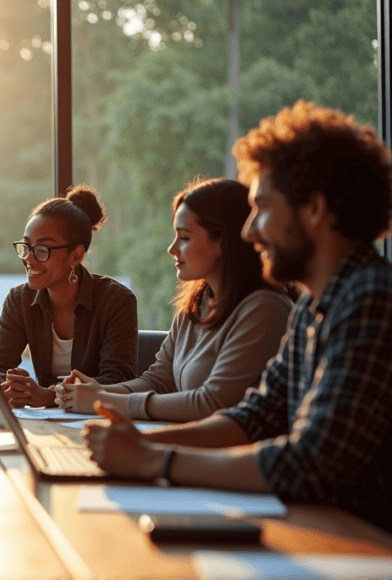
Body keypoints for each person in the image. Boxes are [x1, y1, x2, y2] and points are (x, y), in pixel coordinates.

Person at [83, 100, 392, 533]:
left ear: (315, 209)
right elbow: (255, 416)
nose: (249, 231)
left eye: (262, 208)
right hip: (322, 529)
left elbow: (311, 461)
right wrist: (142, 443)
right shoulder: (312, 306)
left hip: (365, 546)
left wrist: (157, 459)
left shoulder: (371, 299)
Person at [56, 179, 293, 421]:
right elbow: (157, 381)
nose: (172, 248)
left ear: (223, 242)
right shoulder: (195, 304)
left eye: (185, 237)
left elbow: (211, 403)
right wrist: (94, 391)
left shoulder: (265, 310)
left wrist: (104, 401)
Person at [0, 186, 139, 408]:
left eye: (42, 250)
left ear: (76, 255)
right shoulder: (19, 300)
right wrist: (14, 388)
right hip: (47, 424)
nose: (29, 259)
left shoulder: (117, 301)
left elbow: (116, 381)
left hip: (100, 422)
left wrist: (48, 396)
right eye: (26, 246)